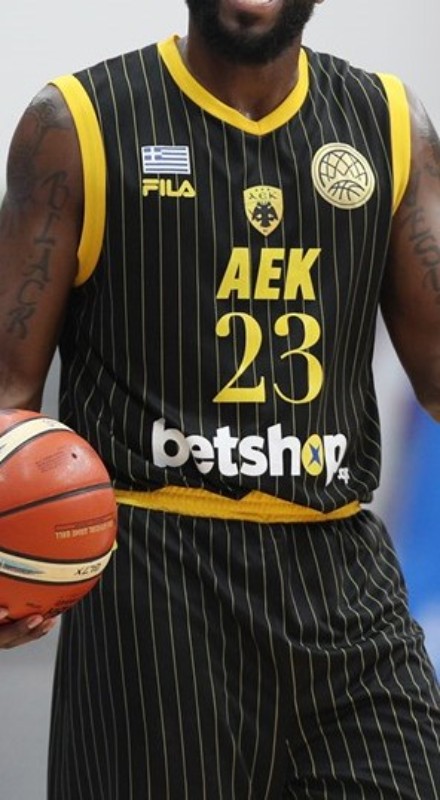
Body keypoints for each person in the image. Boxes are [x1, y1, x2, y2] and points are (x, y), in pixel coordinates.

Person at [1, 0, 440, 796]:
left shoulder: (391, 125)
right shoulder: (76, 125)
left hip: (344, 584)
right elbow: (8, 395)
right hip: (152, 597)